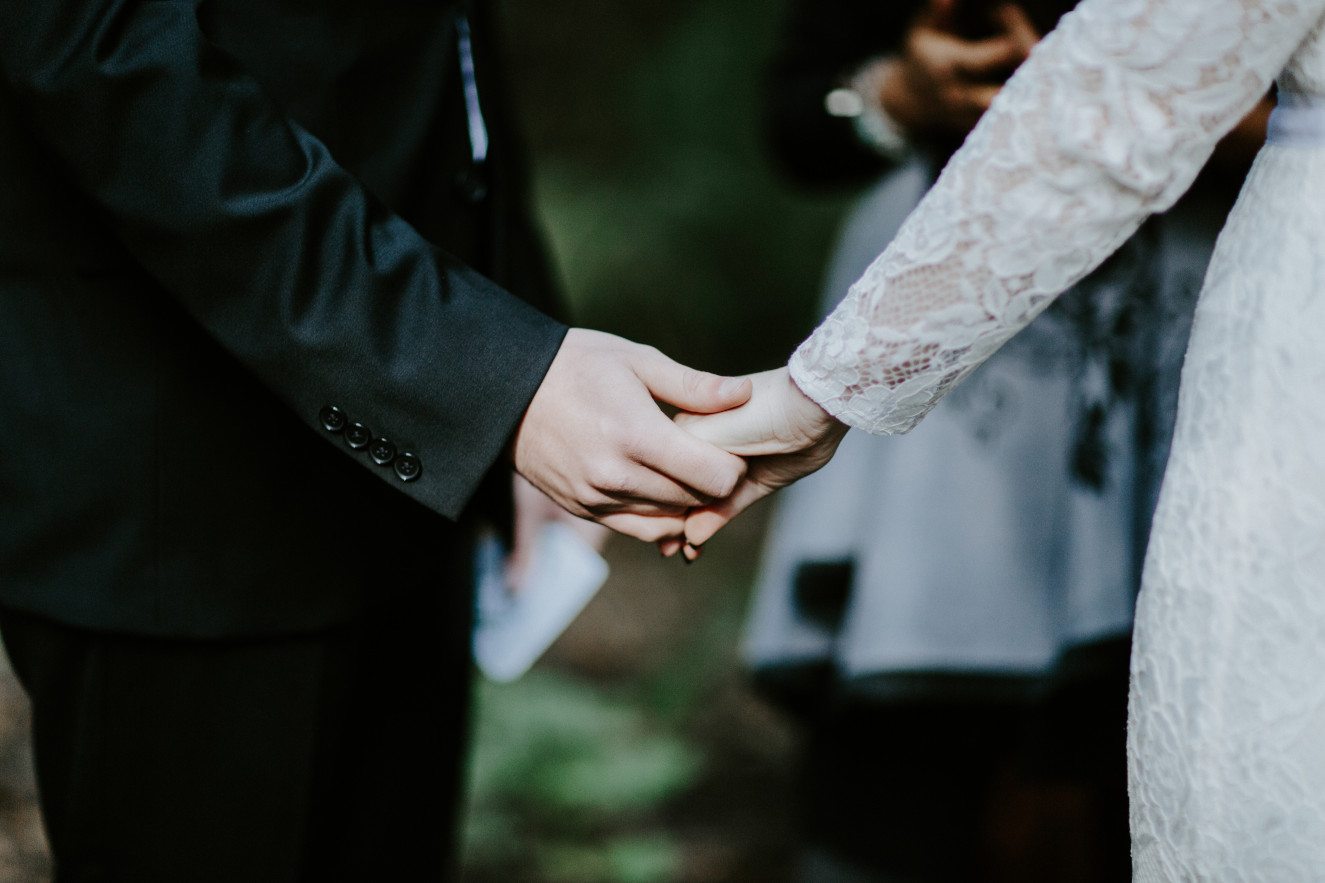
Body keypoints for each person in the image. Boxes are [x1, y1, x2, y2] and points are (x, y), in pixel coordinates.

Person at [0, 1, 748, 880]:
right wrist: (487, 377)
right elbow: (104, 61)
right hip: (183, 492)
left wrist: (515, 334)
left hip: (413, 476)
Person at [676, 0, 1325, 877]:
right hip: (956, 380)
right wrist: (905, 94)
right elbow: (797, 108)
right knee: (912, 749)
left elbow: (1115, 108)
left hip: (1197, 318)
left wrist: (816, 396)